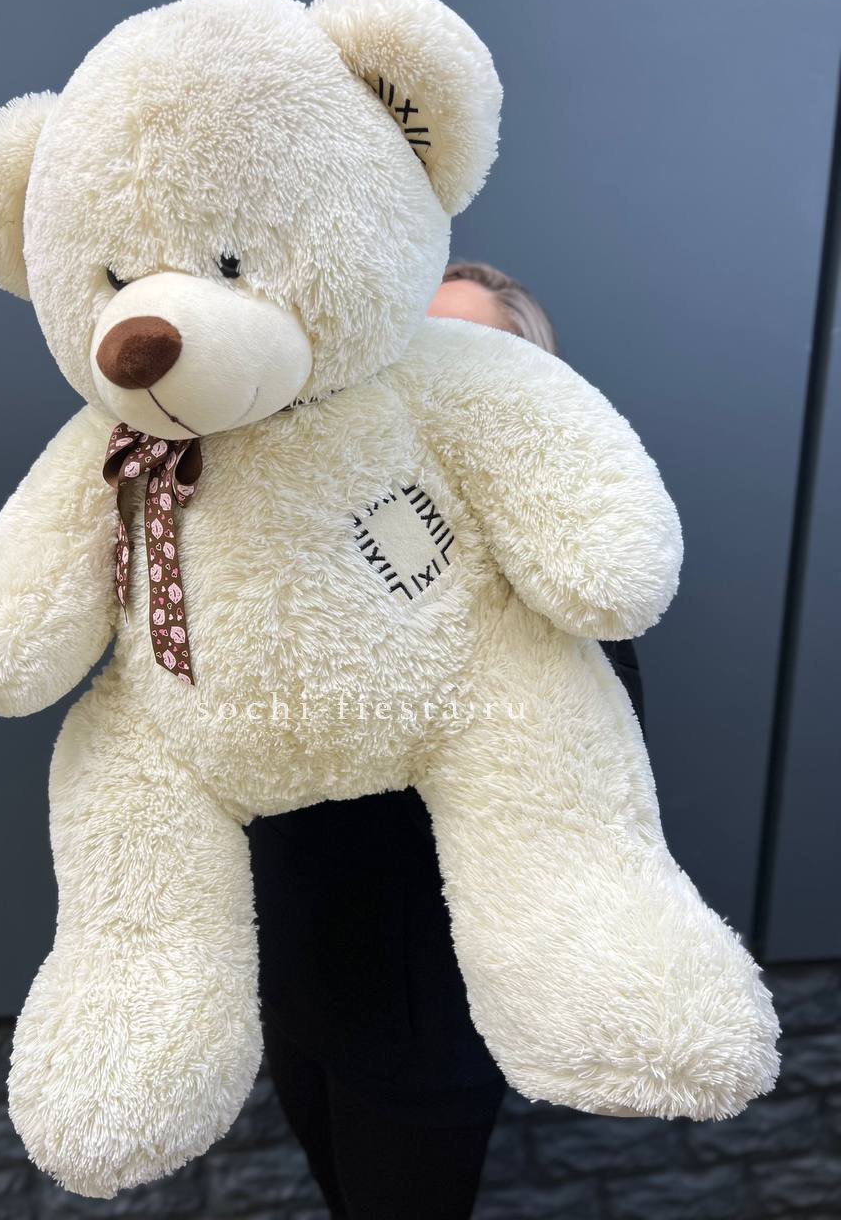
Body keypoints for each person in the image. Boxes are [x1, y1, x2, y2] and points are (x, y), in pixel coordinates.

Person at [245, 262, 645, 1220]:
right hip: (296, 976)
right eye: (410, 342)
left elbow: (582, 796)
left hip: (427, 1022)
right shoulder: (306, 522)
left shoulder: (549, 568)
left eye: (465, 347)